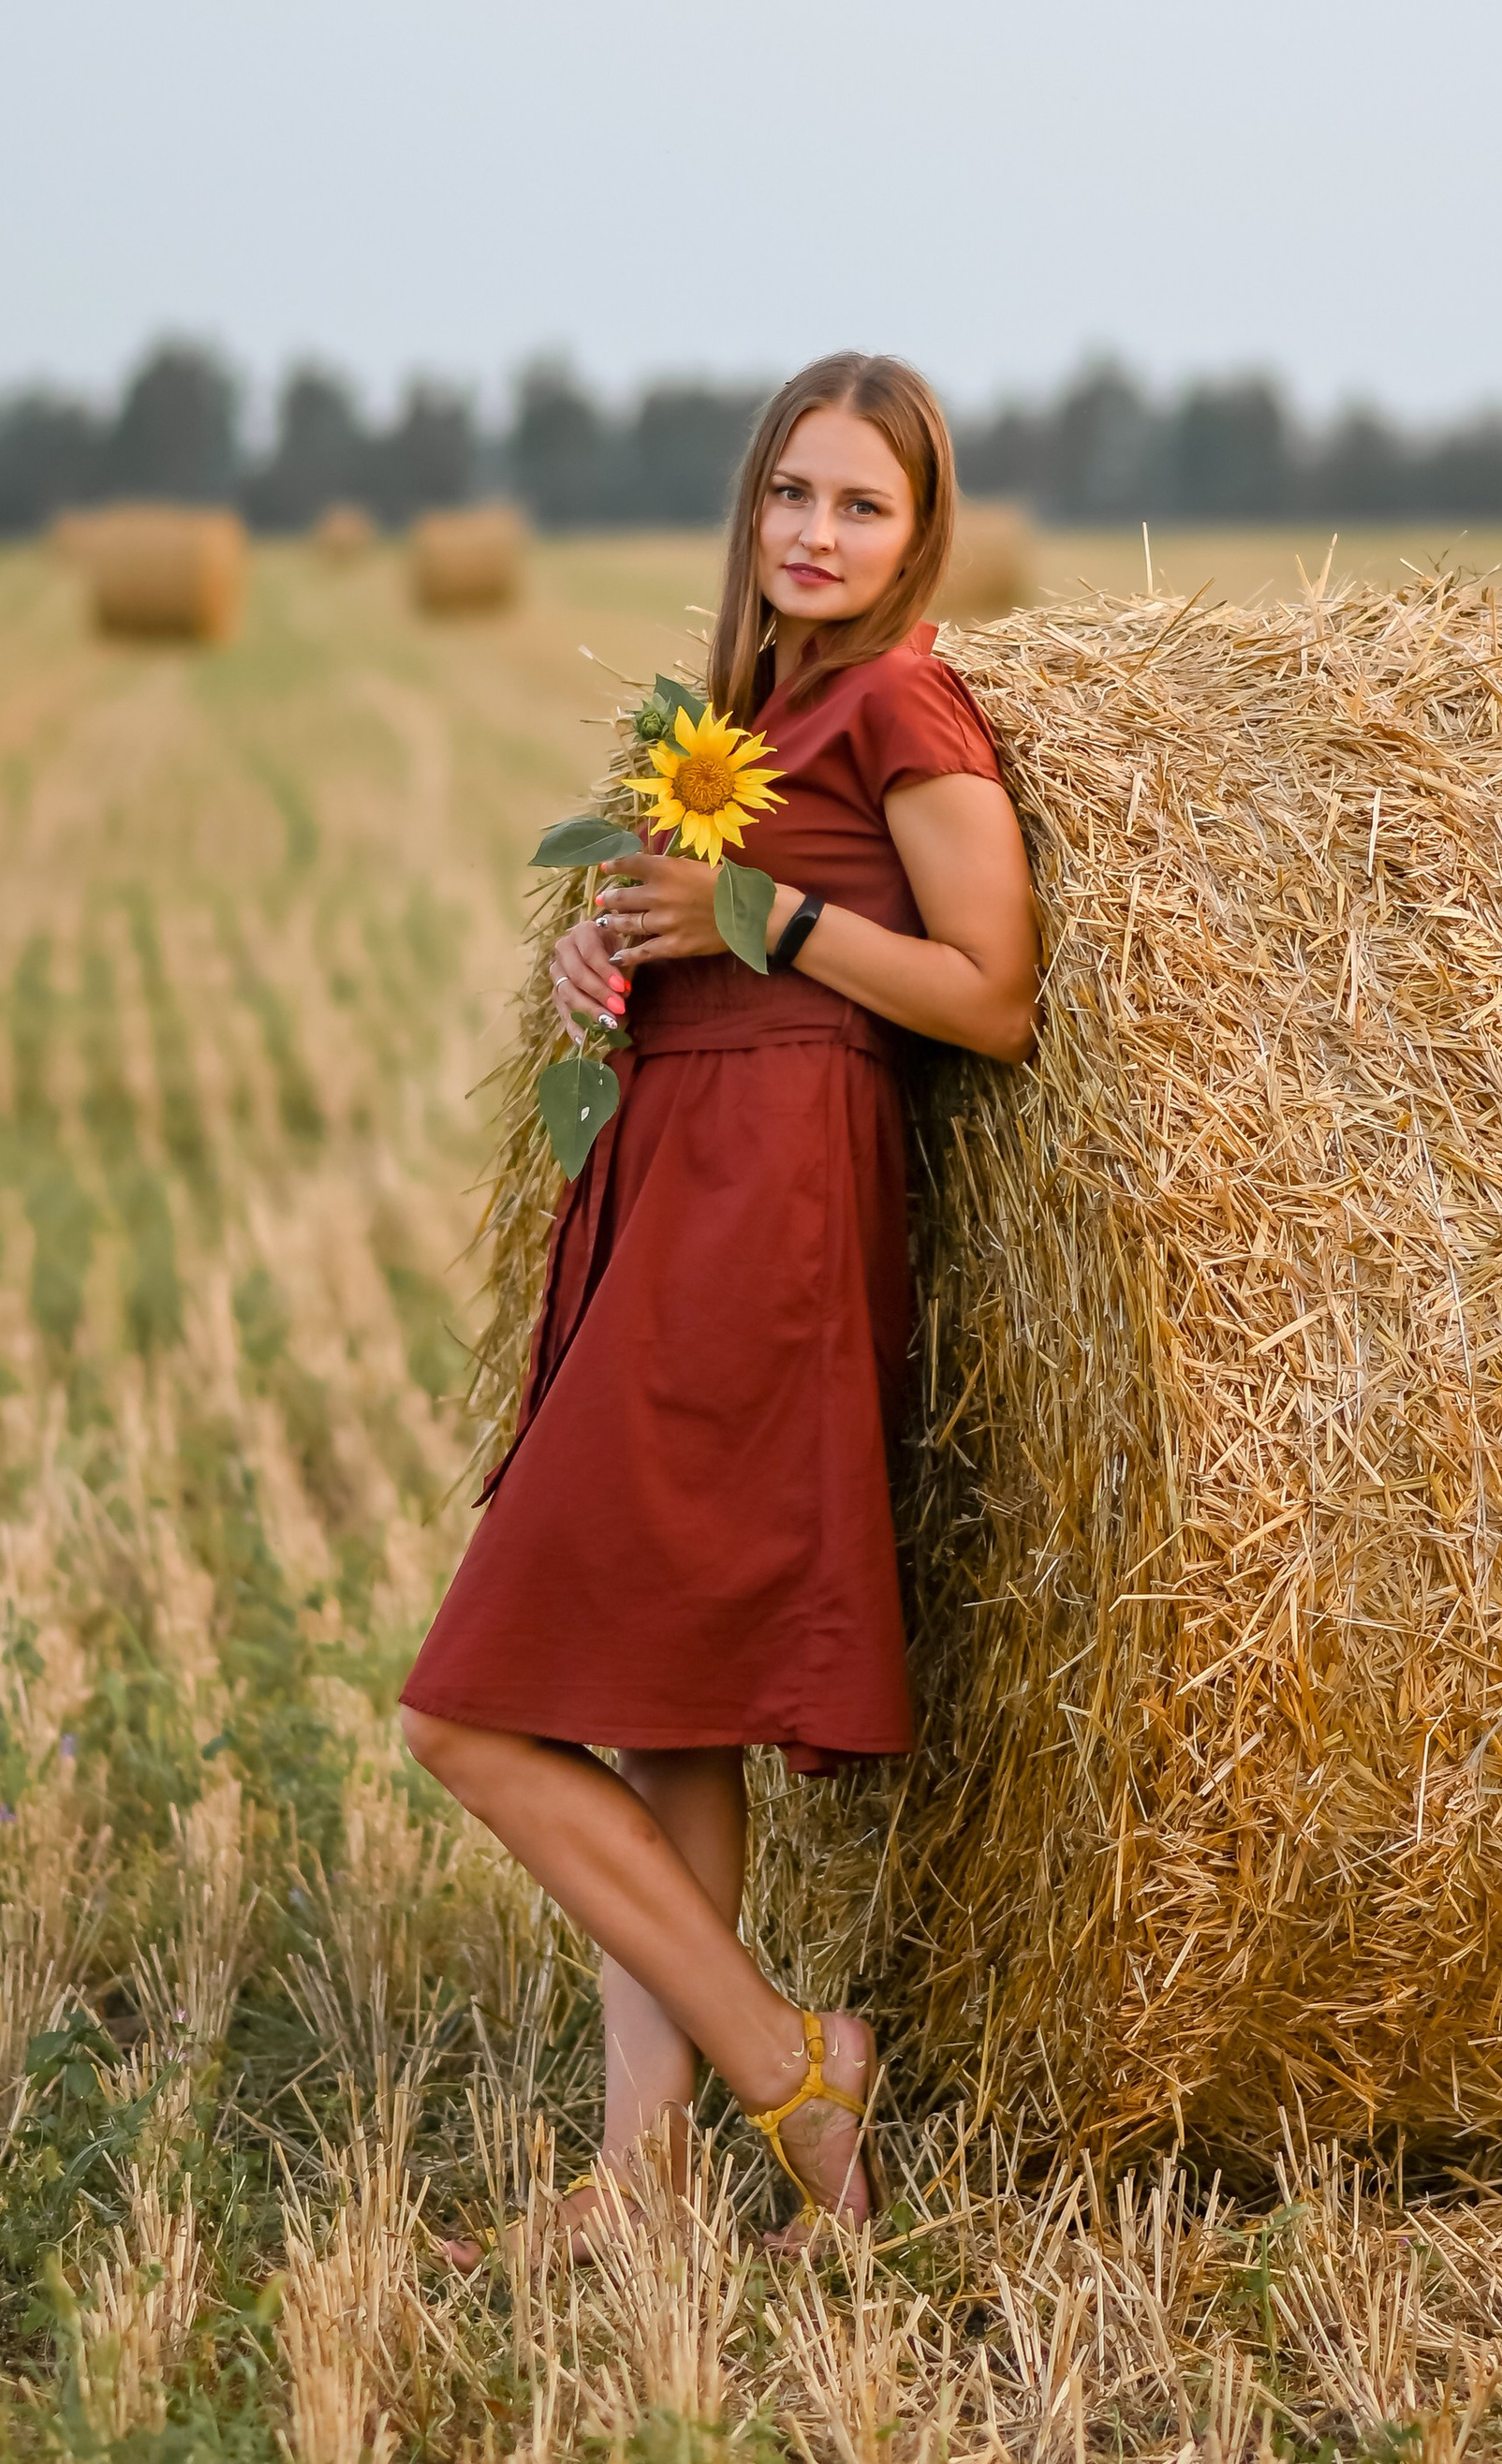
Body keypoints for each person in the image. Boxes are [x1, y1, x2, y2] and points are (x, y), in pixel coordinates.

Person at [399, 352, 1038, 2253]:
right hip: (671, 1193)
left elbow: (989, 992)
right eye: (790, 496)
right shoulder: (751, 714)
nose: (815, 533)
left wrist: (756, 923)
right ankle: (640, 2172)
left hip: (760, 1235)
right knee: (658, 1707)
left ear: (918, 533)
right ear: (747, 511)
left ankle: (788, 2062)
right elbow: (721, 944)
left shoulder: (905, 705)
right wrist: (612, 965)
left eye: (859, 504)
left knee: (471, 1717)